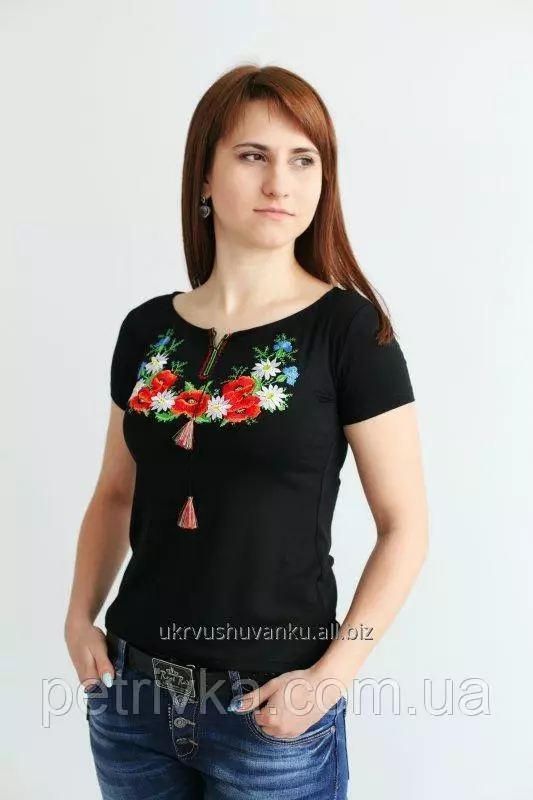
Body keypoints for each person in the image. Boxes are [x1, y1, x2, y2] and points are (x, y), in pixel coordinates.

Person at [64, 63, 428, 800]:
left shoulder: (349, 332)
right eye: (253, 155)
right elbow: (114, 494)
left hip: (270, 711)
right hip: (131, 699)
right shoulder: (147, 329)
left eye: (303, 160)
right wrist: (78, 618)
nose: (279, 184)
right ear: (204, 176)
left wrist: (332, 677)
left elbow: (405, 526)